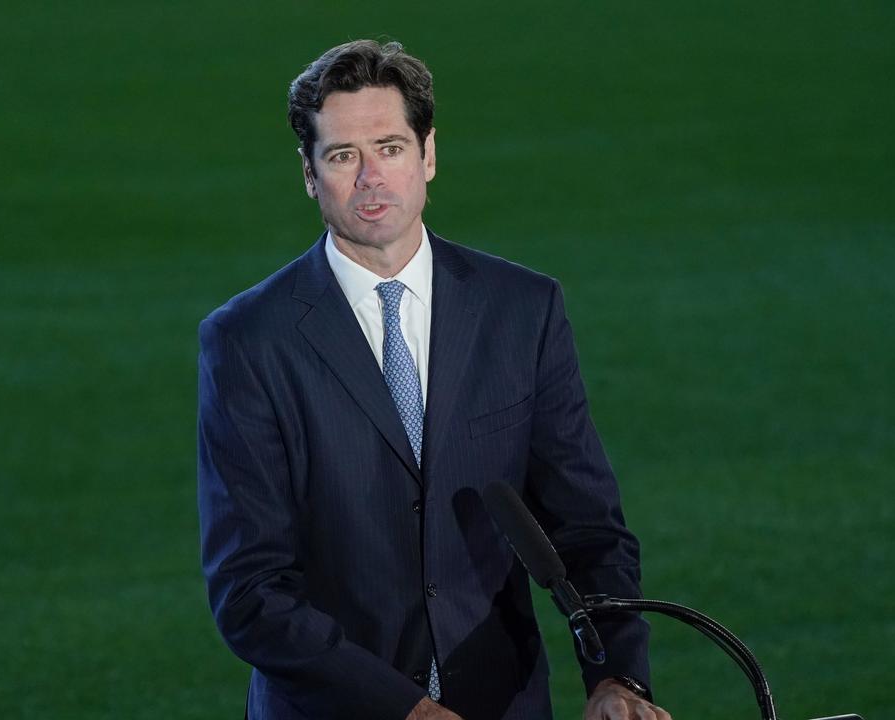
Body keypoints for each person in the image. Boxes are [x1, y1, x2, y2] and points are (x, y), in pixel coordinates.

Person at [197, 39, 672, 720]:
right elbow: (251, 592)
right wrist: (404, 709)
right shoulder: (247, 342)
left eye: (390, 148)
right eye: (341, 156)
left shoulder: (522, 310)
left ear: (429, 155)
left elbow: (587, 526)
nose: (370, 177)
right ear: (308, 173)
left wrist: (616, 678)